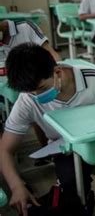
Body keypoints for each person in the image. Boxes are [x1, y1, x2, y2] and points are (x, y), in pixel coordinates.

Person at [0, 43, 95, 216]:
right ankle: (84, 205)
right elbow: (5, 149)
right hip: (64, 149)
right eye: (31, 92)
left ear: (57, 73)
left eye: (41, 89)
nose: (37, 97)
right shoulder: (27, 99)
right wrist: (16, 186)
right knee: (71, 185)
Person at [0, 19, 60, 152]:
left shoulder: (25, 28)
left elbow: (52, 55)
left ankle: (48, 149)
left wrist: (58, 74)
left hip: (31, 84)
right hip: (9, 88)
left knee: (38, 103)